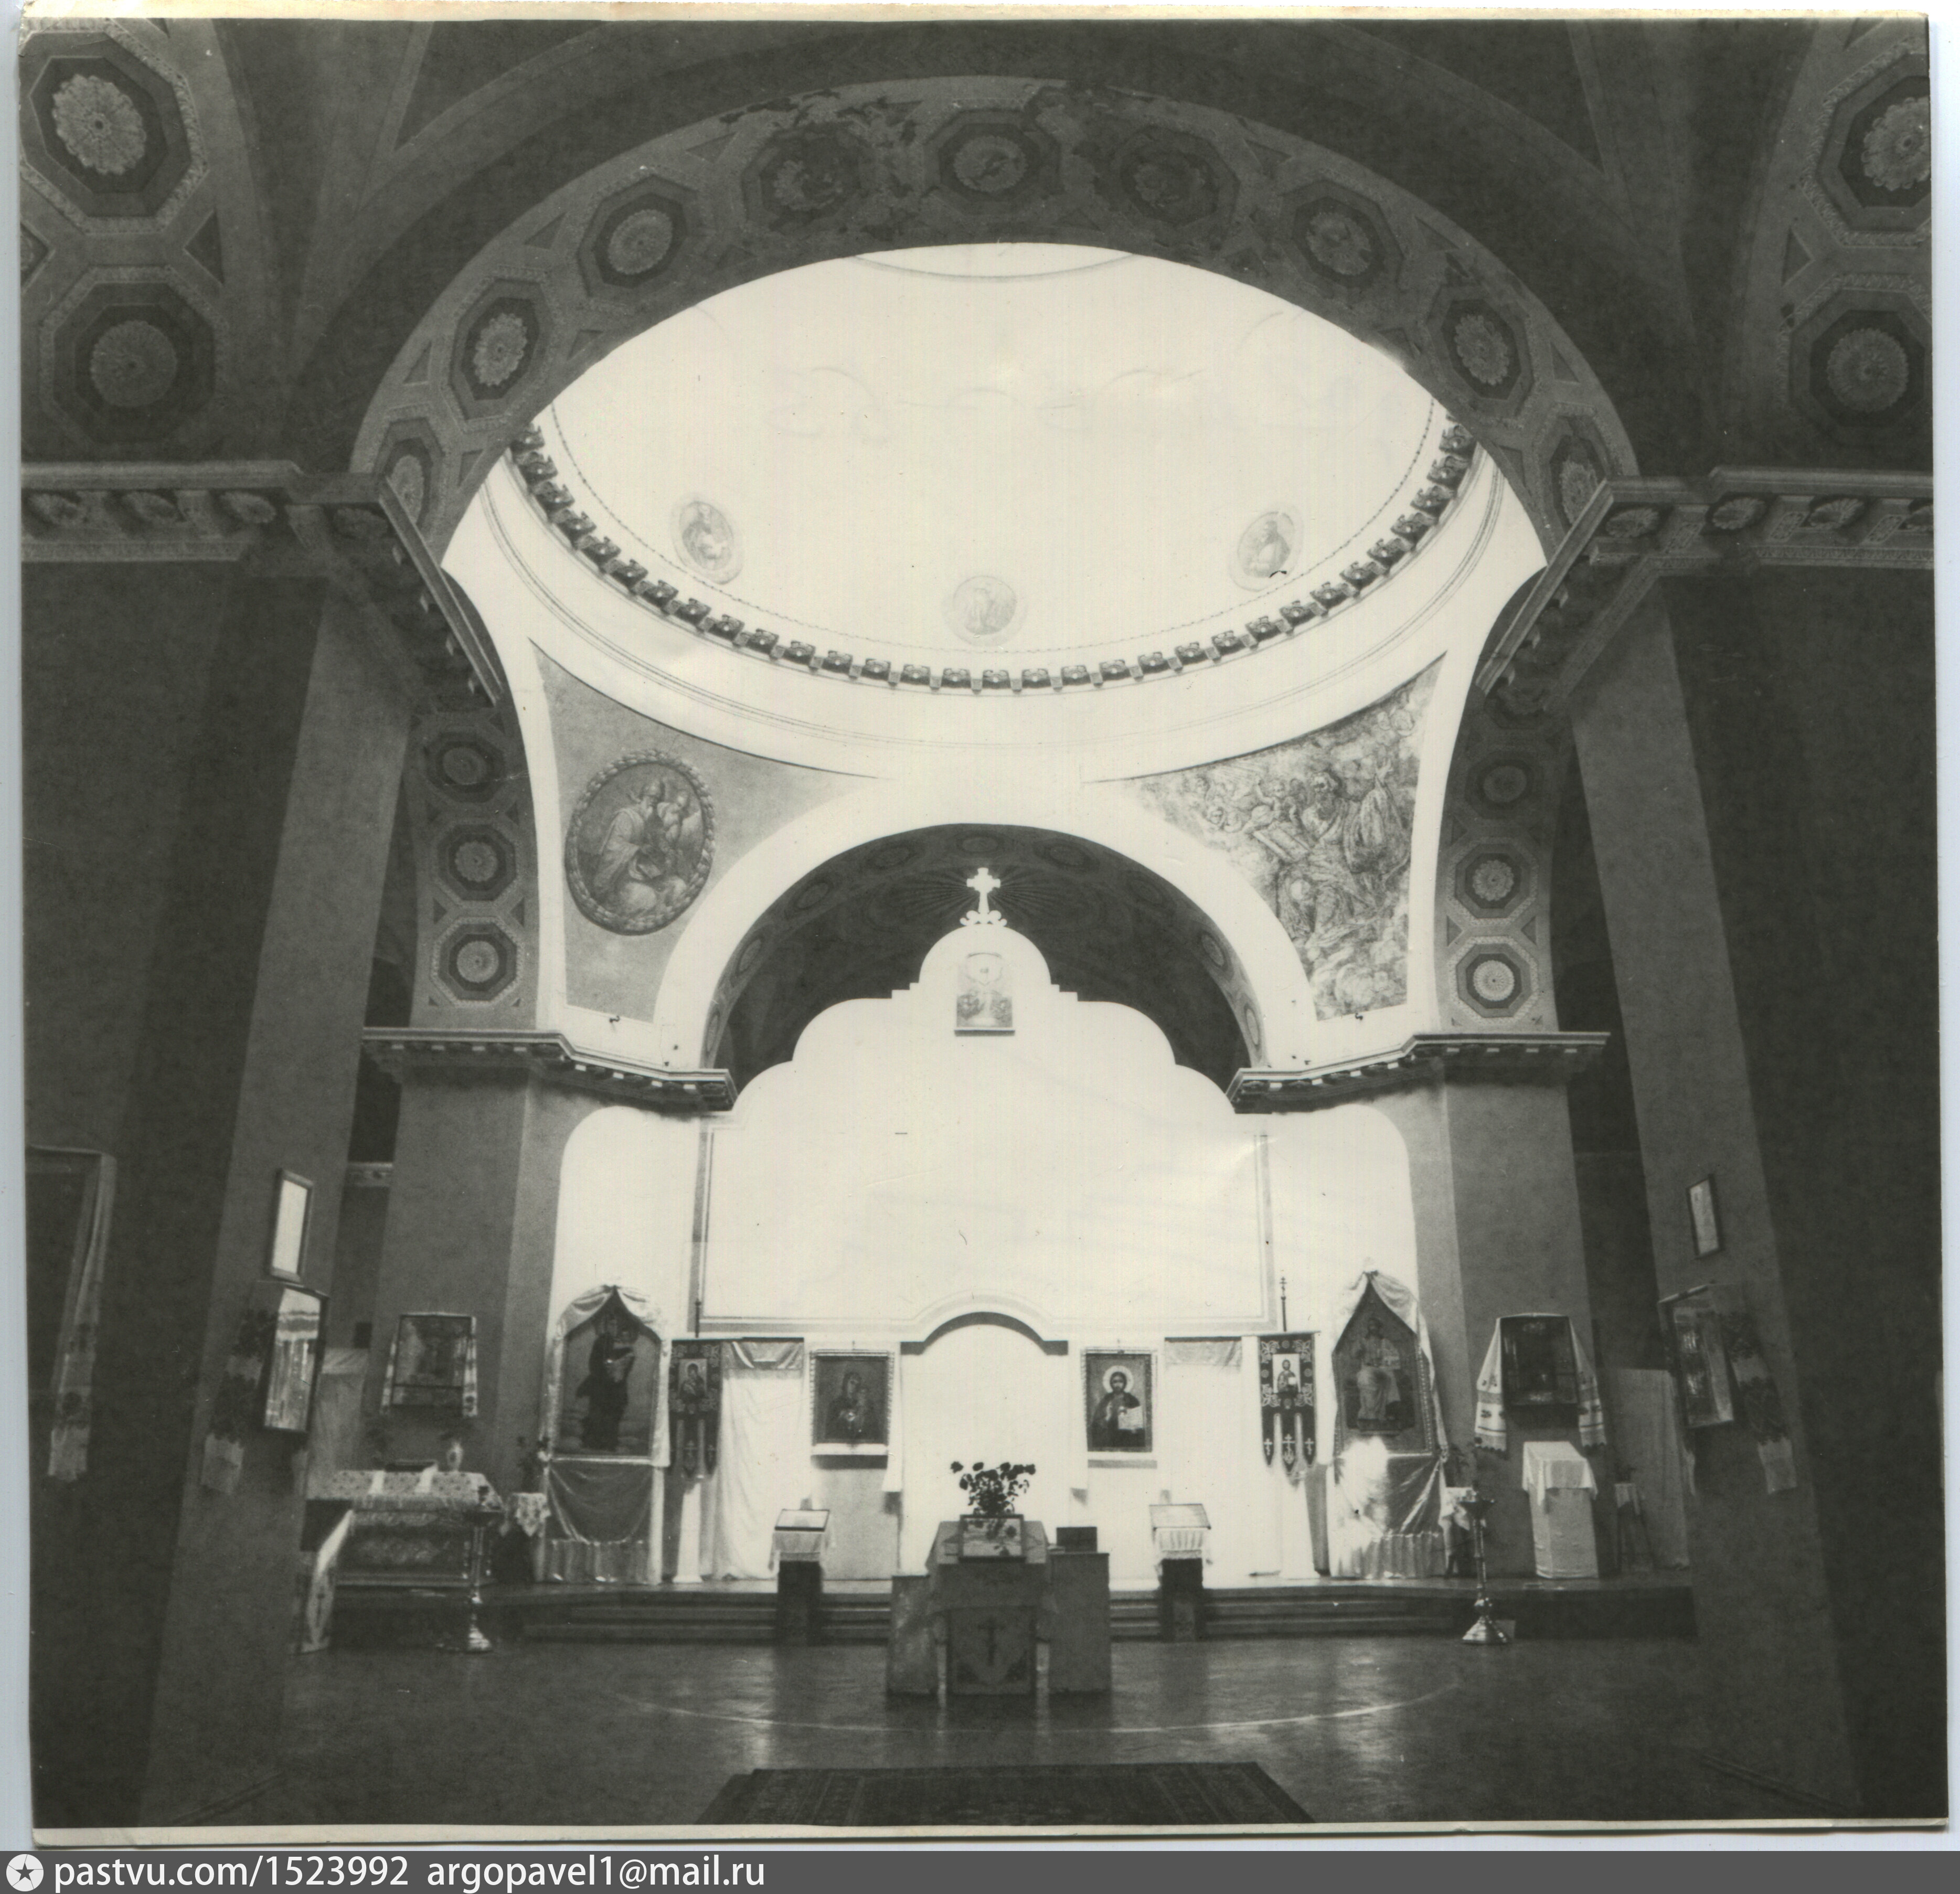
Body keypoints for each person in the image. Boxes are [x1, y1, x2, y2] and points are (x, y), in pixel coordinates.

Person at [576, 1309, 635, 1452]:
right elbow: (594, 1363)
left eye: (616, 1325)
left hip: (615, 1386)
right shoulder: (600, 1342)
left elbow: (627, 1362)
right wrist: (605, 1371)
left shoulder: (621, 1344)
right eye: (611, 1325)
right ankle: (593, 1443)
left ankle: (610, 1443)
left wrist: (618, 1369)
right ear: (606, 1326)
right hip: (601, 1385)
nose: (614, 1328)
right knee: (598, 1415)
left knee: (613, 1415)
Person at [1352, 1317, 1404, 1430]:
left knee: (1390, 1379)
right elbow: (1355, 1354)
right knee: (1365, 1378)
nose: (1373, 1328)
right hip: (1368, 1368)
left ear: (1379, 1328)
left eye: (1375, 1326)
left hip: (1383, 1369)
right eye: (1371, 1326)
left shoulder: (1386, 1342)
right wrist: (1359, 1350)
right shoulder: (1363, 1341)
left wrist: (1386, 1356)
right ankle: (1370, 1415)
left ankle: (1390, 1410)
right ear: (1368, 1328)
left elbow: (1395, 1358)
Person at [1091, 1368, 1144, 1451]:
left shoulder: (1132, 1400)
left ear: (1125, 1383)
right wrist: (1107, 1417)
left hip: (1127, 1437)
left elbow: (1138, 1424)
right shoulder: (1106, 1400)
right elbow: (1096, 1424)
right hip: (1110, 1437)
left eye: (1121, 1382)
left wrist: (1134, 1426)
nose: (1118, 1385)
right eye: (1115, 1382)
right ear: (1111, 1384)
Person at [825, 1369, 880, 1444]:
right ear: (845, 1383)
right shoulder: (835, 1404)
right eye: (852, 1383)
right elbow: (830, 1431)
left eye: (858, 1385)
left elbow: (874, 1431)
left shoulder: (867, 1404)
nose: (854, 1387)